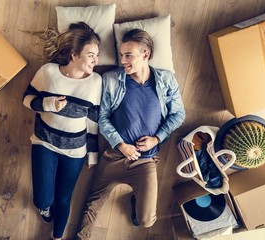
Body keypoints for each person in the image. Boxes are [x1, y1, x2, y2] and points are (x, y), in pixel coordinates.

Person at [76, 29, 185, 239]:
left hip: (145, 162)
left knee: (146, 221)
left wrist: (157, 138)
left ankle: (137, 198)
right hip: (114, 157)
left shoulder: (166, 81)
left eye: (128, 55)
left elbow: (179, 114)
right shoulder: (111, 79)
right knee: (91, 206)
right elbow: (103, 117)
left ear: (146, 55)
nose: (123, 60)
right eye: (121, 55)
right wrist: (120, 144)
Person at [22, 22, 101, 240]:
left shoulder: (96, 82)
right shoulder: (48, 71)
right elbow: (26, 99)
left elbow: (92, 121)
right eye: (91, 55)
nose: (97, 61)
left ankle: (57, 237)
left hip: (75, 152)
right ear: (74, 55)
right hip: (44, 142)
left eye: (97, 55)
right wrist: (47, 104)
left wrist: (93, 153)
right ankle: (45, 209)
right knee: (42, 199)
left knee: (64, 199)